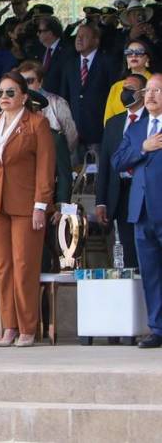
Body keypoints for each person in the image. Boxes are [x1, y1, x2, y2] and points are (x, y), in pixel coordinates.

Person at [0, 72, 55, 347]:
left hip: (25, 204)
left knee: (24, 266)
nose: (4, 98)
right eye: (0, 93)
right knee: (3, 267)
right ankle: (8, 326)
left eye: (10, 93)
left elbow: (45, 168)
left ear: (23, 96)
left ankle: (28, 327)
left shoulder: (37, 124)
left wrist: (41, 205)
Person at [112, 74, 162, 348]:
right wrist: (143, 148)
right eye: (149, 90)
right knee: (151, 274)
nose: (151, 95)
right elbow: (117, 160)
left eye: (157, 90)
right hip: (141, 212)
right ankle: (157, 328)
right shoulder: (136, 128)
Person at [97, 74, 147, 270]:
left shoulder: (152, 120)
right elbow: (106, 164)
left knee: (144, 243)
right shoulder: (113, 123)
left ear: (143, 93)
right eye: (123, 89)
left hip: (143, 190)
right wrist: (101, 201)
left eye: (130, 89)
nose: (125, 93)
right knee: (126, 248)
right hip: (120, 191)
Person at [59, 24, 118, 151]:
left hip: (100, 131)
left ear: (96, 40)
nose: (79, 39)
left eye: (84, 36)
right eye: (77, 36)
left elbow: (115, 95)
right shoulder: (70, 64)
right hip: (75, 132)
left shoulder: (108, 62)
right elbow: (65, 97)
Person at [17, 60, 78, 154]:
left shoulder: (58, 103)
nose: (25, 86)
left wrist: (60, 155)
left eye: (29, 81)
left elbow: (71, 135)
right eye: (21, 82)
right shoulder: (15, 105)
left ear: (40, 82)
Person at [104, 39, 154, 124]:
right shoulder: (116, 87)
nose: (133, 55)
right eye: (129, 53)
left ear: (147, 58)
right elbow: (108, 121)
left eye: (139, 52)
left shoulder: (157, 83)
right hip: (120, 134)